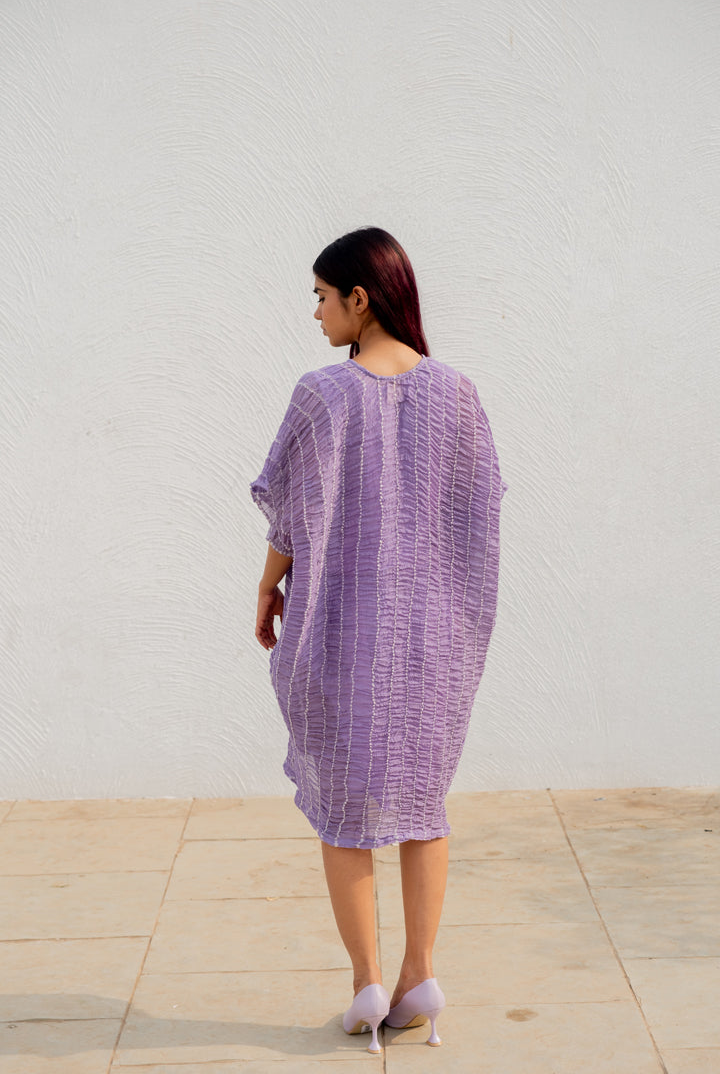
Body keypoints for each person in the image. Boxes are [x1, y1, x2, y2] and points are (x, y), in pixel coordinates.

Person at [250, 227, 507, 1055]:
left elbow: (290, 514)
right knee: (425, 804)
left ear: (360, 299)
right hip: (435, 636)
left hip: (341, 632)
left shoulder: (322, 395)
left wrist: (267, 586)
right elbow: (481, 510)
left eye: (322, 297)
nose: (316, 313)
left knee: (346, 808)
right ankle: (418, 973)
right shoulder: (458, 394)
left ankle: (366, 983)